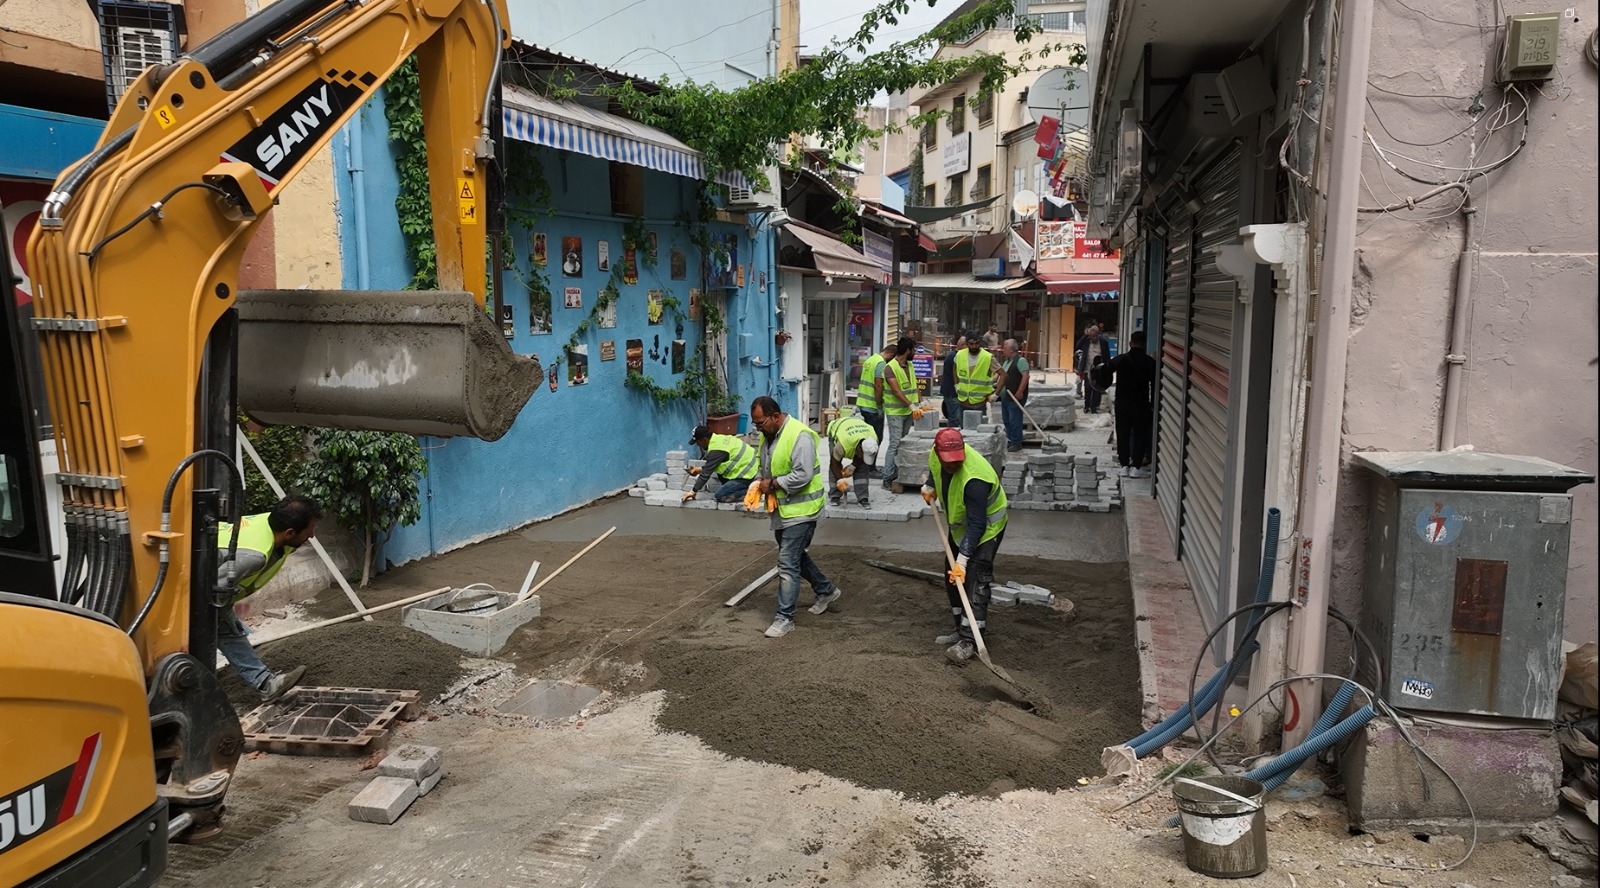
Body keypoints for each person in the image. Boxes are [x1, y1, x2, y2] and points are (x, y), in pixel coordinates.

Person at [750, 395, 841, 638]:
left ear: (775, 416)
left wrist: (773, 484)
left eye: (760, 423)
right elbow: (765, 465)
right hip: (783, 510)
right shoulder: (767, 436)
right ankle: (826, 590)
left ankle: (784, 618)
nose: (757, 428)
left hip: (803, 511)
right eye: (755, 424)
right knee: (796, 557)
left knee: (787, 563)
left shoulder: (800, 437)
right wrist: (758, 482)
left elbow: (802, 475)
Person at [215, 495, 318, 702]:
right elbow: (208, 589)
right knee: (216, 633)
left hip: (212, 589)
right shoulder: (254, 556)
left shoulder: (272, 526)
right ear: (290, 533)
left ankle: (266, 684)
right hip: (189, 590)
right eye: (309, 532)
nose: (312, 536)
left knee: (229, 630)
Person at [919, 429, 1008, 663]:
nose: (953, 466)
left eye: (957, 461)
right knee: (952, 576)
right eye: (948, 462)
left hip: (987, 528)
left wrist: (964, 560)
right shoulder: (935, 455)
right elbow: (935, 470)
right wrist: (931, 485)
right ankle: (960, 629)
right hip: (961, 528)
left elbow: (978, 525)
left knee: (974, 580)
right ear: (938, 453)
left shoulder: (975, 478)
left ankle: (971, 640)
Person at [1102, 330, 1158, 478]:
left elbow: (1104, 370)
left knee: (1123, 434)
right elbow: (1155, 384)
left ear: (1130, 343)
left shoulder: (1121, 359)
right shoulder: (1149, 362)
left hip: (1122, 404)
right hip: (1141, 405)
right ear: (1144, 344)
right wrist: (1153, 404)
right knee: (1140, 435)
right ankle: (1137, 467)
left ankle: (1124, 466)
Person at [683, 424, 759, 503]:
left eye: (698, 443)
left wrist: (693, 492)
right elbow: (714, 464)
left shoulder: (715, 450)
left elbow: (705, 475)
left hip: (748, 474)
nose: (698, 445)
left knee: (720, 495)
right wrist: (699, 469)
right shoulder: (718, 438)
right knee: (721, 475)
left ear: (704, 440)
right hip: (751, 466)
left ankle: (752, 491)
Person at [879, 337, 919, 488]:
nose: (914, 353)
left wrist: (920, 403)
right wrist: (911, 405)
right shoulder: (890, 368)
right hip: (895, 410)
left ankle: (898, 472)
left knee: (903, 443)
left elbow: (914, 386)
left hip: (909, 410)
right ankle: (887, 477)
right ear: (908, 350)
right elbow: (896, 391)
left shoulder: (910, 365)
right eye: (913, 350)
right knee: (895, 443)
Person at [826, 412, 879, 507]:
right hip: (838, 428)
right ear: (858, 449)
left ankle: (863, 497)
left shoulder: (873, 440)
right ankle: (834, 495)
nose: (864, 458)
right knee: (835, 468)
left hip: (855, 428)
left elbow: (862, 458)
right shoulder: (843, 443)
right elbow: (834, 463)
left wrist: (852, 467)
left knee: (863, 467)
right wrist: (840, 480)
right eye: (863, 454)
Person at [855, 342, 896, 444]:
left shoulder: (871, 359)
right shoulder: (881, 363)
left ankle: (863, 460)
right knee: (875, 440)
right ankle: (870, 461)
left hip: (862, 404)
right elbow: (878, 386)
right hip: (872, 407)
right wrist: (879, 406)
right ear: (891, 355)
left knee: (865, 439)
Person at [998, 338, 1030, 452]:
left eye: (1005, 348)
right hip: (1006, 397)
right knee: (1007, 420)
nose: (1003, 350)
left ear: (1011, 350)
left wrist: (1020, 391)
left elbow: (1025, 376)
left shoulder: (1020, 361)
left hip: (1014, 397)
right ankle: (1010, 440)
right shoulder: (1007, 361)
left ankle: (1016, 442)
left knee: (1014, 420)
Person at [953, 333, 996, 416]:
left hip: (979, 403)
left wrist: (996, 394)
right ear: (967, 344)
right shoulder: (960, 355)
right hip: (963, 401)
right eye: (971, 344)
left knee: (979, 428)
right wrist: (956, 385)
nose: (974, 346)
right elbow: (954, 368)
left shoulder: (987, 357)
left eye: (976, 343)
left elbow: (1003, 374)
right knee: (963, 427)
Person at [1074, 324, 1108, 414]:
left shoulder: (1103, 342)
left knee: (1097, 388)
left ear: (1098, 334)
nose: (1093, 338)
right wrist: (1085, 335)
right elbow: (1077, 346)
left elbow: (1106, 355)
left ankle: (1094, 407)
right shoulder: (1086, 341)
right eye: (1091, 336)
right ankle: (1087, 406)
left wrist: (1107, 368)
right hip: (1087, 368)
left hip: (1098, 369)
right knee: (1087, 388)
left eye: (1095, 336)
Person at [938, 334, 968, 426]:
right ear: (962, 345)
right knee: (955, 419)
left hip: (951, 393)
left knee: (955, 418)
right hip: (952, 394)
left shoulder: (953, 355)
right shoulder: (956, 357)